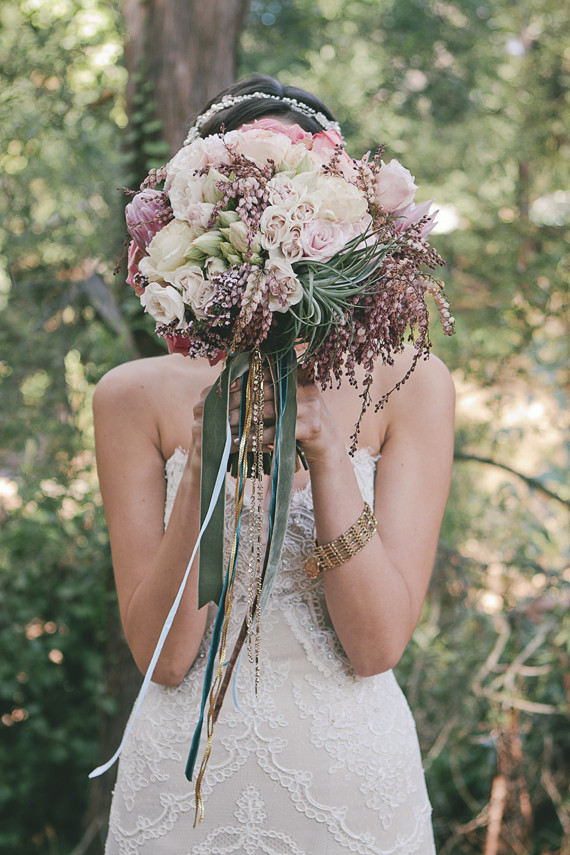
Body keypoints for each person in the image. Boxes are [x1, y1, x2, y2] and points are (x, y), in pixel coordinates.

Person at [95, 74, 455, 855]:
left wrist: (326, 456)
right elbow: (163, 654)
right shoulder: (131, 397)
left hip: (349, 784)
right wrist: (203, 463)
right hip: (179, 788)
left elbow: (377, 646)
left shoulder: (413, 385)